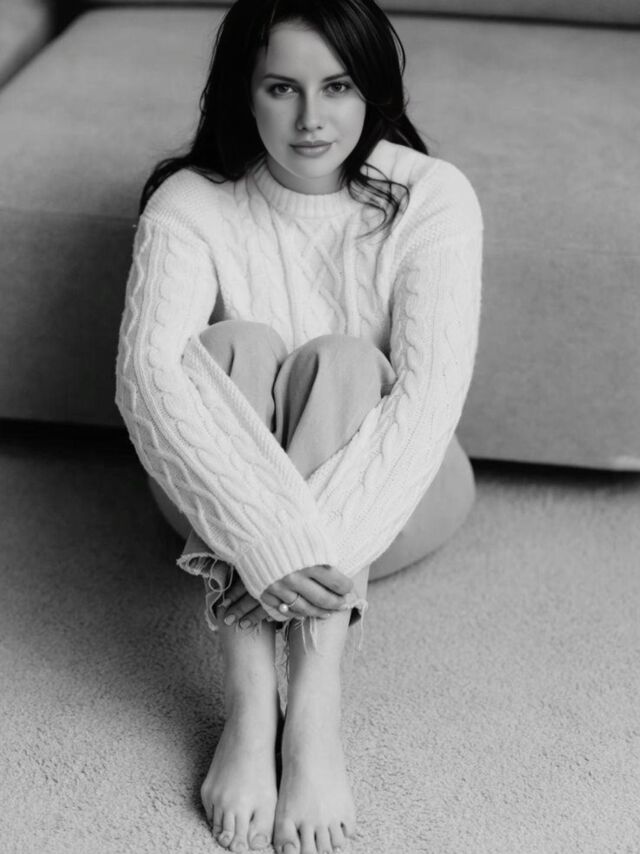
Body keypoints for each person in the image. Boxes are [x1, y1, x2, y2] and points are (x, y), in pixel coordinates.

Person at [115, 0, 482, 851]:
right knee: (230, 348)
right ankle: (251, 701)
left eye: (338, 86)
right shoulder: (192, 201)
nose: (312, 118)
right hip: (216, 502)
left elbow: (427, 403)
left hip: (397, 498)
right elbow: (146, 385)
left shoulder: (433, 196)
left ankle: (315, 700)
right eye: (282, 88)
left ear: (371, 90)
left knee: (344, 361)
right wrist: (260, 535)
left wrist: (291, 556)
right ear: (244, 91)